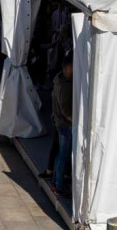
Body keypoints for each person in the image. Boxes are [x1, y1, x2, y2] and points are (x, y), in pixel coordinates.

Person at [51, 60, 73, 198]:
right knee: (63, 155)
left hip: (60, 122)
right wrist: (73, 120)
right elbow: (65, 109)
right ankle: (58, 185)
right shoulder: (64, 86)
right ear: (67, 68)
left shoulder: (58, 81)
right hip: (64, 124)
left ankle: (55, 182)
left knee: (60, 154)